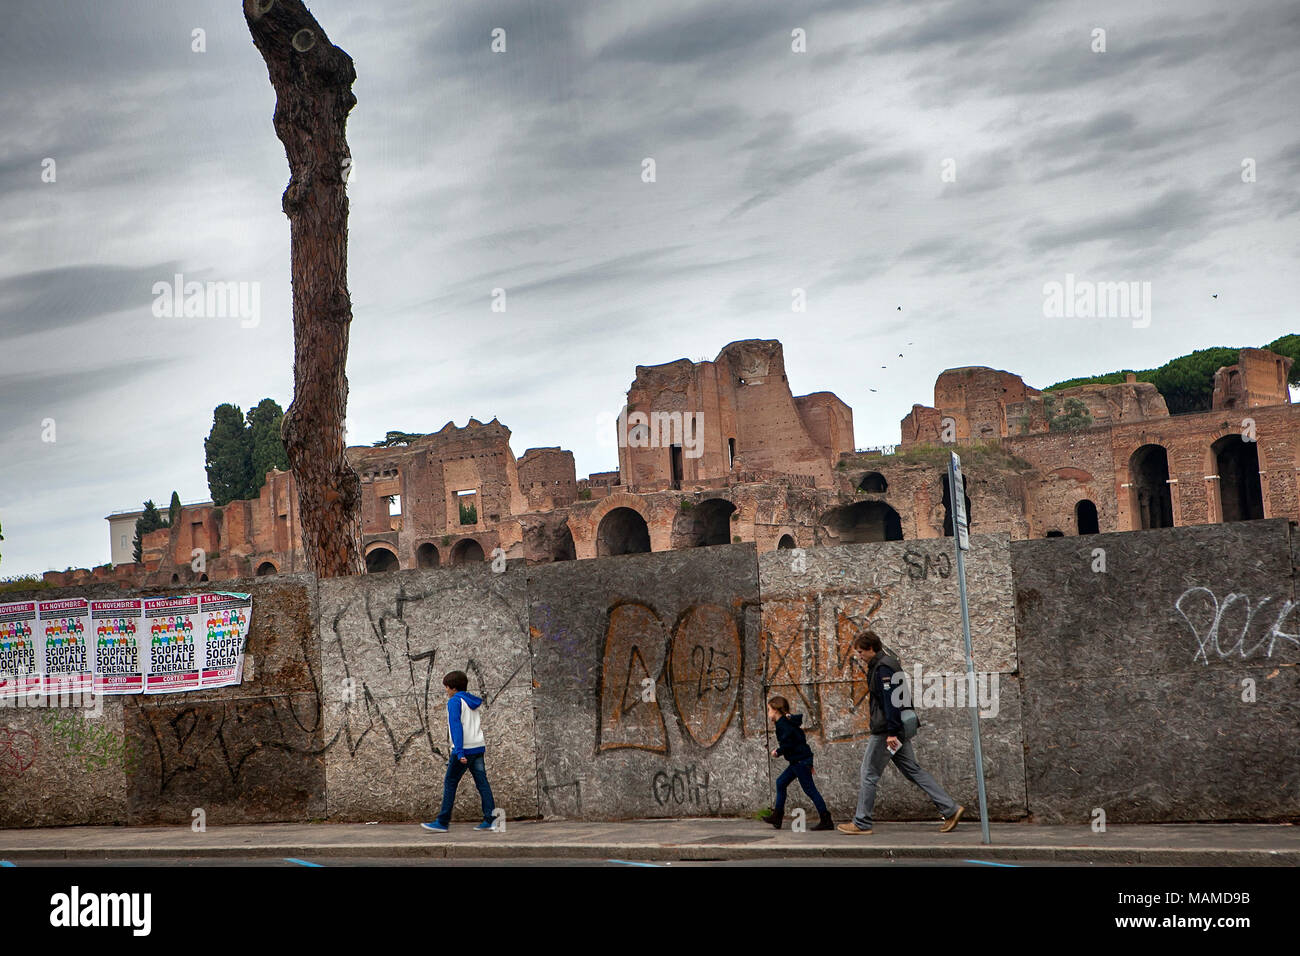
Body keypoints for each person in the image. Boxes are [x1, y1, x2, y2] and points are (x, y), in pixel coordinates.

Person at [837, 631, 964, 835]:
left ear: (871, 649)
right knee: (913, 770)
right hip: (895, 729)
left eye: (861, 652)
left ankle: (861, 822)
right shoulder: (887, 663)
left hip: (886, 731)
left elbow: (891, 701)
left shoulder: (883, 667)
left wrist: (892, 732)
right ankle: (951, 809)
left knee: (869, 773)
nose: (859, 656)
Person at [421, 670, 497, 833]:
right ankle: (491, 819)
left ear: (453, 688)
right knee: (482, 783)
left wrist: (460, 752)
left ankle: (442, 821)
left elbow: (456, 727)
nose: (446, 691)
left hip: (464, 749)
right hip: (478, 746)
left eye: (447, 688)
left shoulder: (455, 702)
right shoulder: (472, 701)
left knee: (450, 782)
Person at [761, 696, 834, 831]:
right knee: (781, 782)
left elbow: (789, 743)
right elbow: (799, 739)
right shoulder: (787, 722)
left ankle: (826, 820)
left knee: (810, 790)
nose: (768, 713)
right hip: (799, 761)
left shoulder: (783, 725)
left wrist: (778, 751)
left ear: (776, 711)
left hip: (800, 762)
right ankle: (777, 817)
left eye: (769, 710)